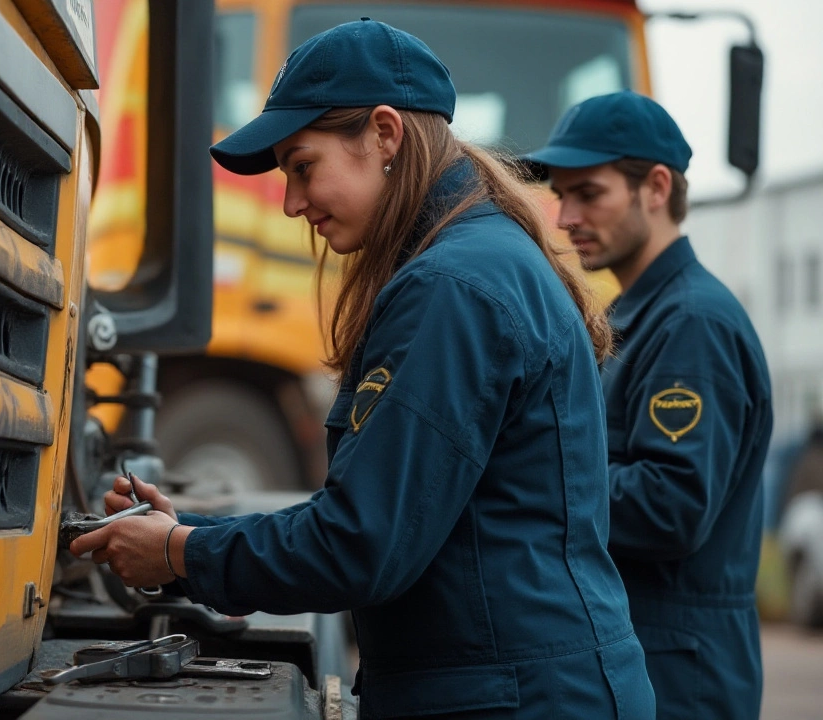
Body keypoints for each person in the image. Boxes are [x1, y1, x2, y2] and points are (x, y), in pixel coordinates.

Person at [71, 20, 654, 718]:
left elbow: (361, 544)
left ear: (384, 134)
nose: (290, 203)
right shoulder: (478, 260)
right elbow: (391, 519)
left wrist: (179, 555)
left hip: (508, 697)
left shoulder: (449, 288)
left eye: (302, 166)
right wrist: (191, 535)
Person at [523, 91, 774, 720]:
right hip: (656, 651)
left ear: (656, 188)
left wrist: (529, 479)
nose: (564, 216)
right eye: (562, 193)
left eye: (589, 194)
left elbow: (672, 506)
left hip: (680, 666)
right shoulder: (640, 315)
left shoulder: (691, 324)